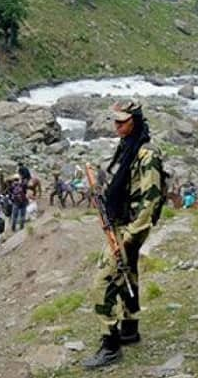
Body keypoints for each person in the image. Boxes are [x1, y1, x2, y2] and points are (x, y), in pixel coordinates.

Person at [83, 101, 165, 369]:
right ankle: (130, 329)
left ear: (136, 120)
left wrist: (129, 236)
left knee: (102, 282)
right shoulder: (126, 146)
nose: (117, 126)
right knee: (128, 272)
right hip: (119, 222)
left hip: (131, 227)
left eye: (123, 121)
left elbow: (150, 200)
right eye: (115, 121)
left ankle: (110, 346)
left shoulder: (146, 154)